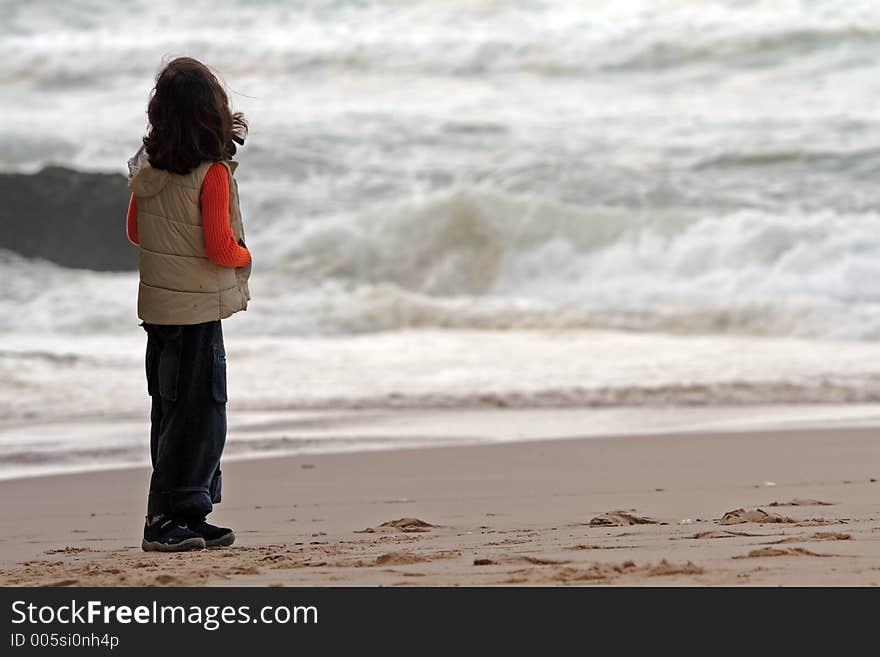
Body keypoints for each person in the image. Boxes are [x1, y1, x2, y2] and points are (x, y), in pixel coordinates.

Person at [126, 57, 252, 552]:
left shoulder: (148, 171)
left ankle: (177, 515)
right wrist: (247, 255)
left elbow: (135, 232)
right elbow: (221, 248)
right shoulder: (213, 174)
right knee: (203, 415)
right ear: (212, 113)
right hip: (197, 313)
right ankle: (172, 515)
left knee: (171, 413)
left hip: (159, 313)